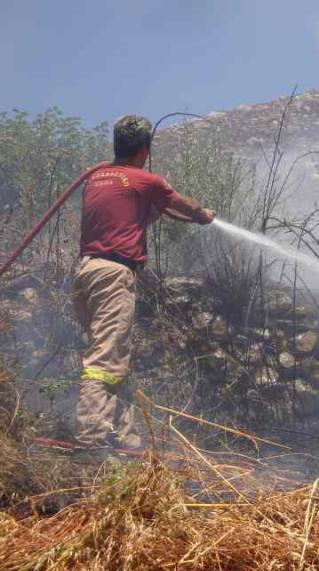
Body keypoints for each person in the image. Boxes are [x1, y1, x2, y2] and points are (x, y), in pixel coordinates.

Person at [72, 114, 215, 450]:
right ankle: (91, 440)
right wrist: (202, 214)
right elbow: (184, 205)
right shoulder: (145, 180)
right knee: (105, 360)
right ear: (145, 150)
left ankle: (126, 438)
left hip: (87, 273)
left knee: (114, 356)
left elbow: (123, 218)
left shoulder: (96, 178)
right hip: (112, 275)